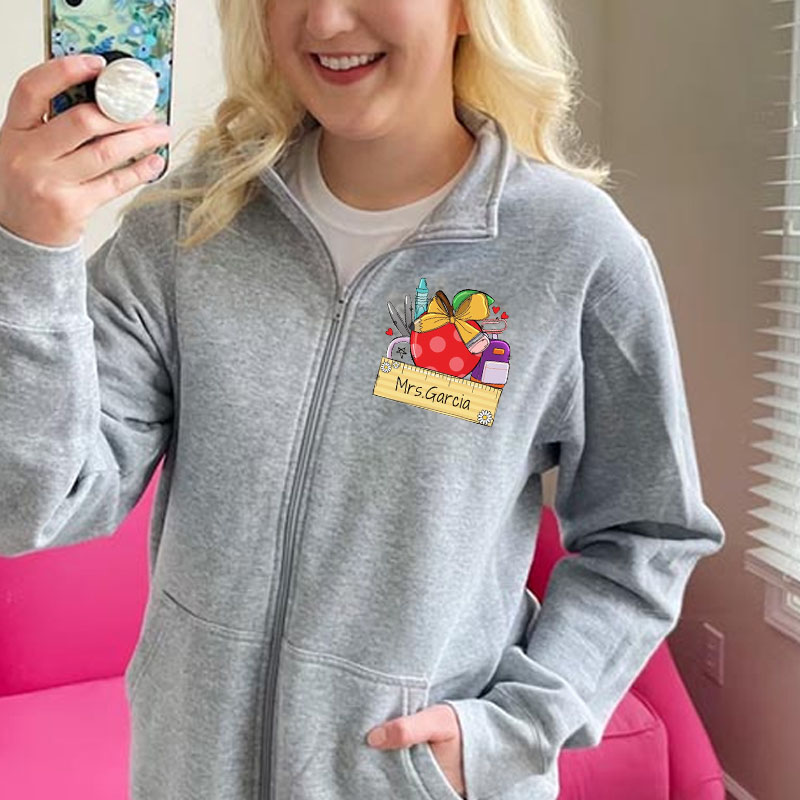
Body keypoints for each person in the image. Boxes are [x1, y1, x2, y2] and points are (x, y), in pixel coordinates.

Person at [0, 1, 726, 799]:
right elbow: (32, 506)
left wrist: (514, 728)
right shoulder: (189, 227)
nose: (326, 21)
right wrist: (30, 247)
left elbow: (648, 533)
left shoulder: (572, 249)